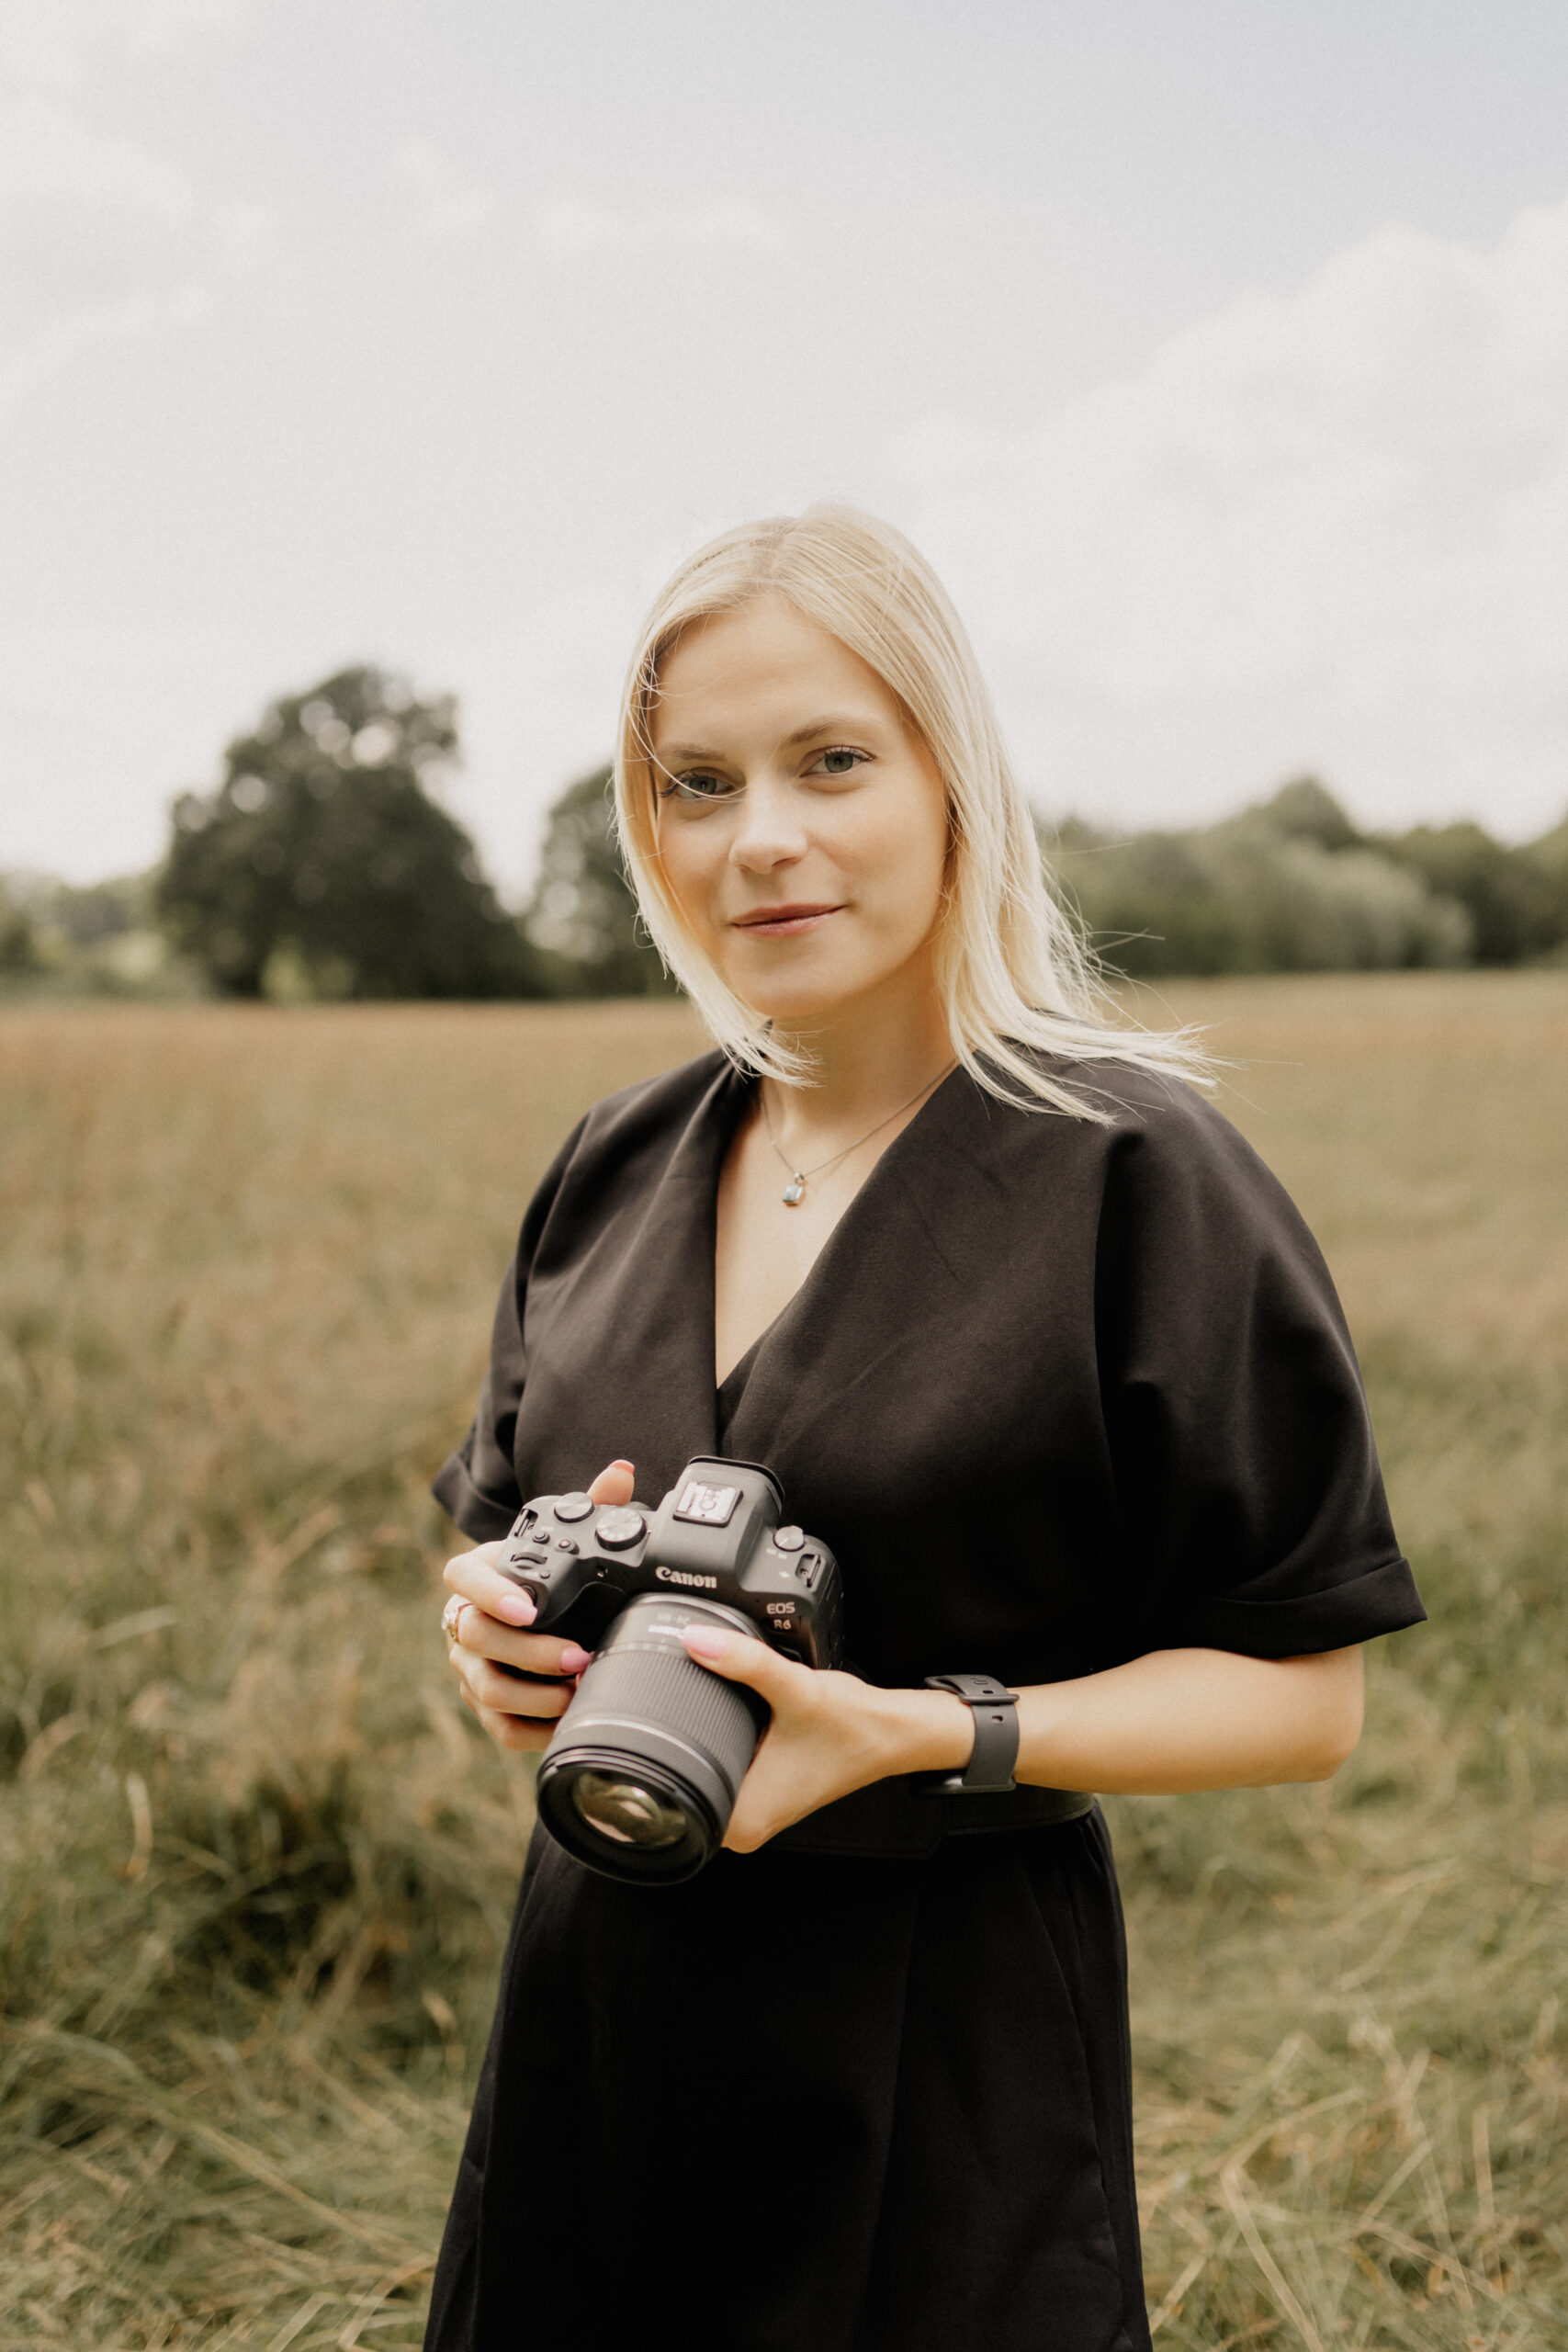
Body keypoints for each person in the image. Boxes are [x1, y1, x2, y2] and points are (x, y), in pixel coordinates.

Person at [427, 507, 1424, 2352]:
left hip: (942, 2064)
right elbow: (494, 1541)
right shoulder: (611, 1162)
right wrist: (487, 1630)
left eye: (829, 760)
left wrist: (914, 1733)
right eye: (698, 781)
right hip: (594, 2024)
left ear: (948, 774)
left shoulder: (1140, 1176)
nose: (763, 838)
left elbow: (1304, 1697)